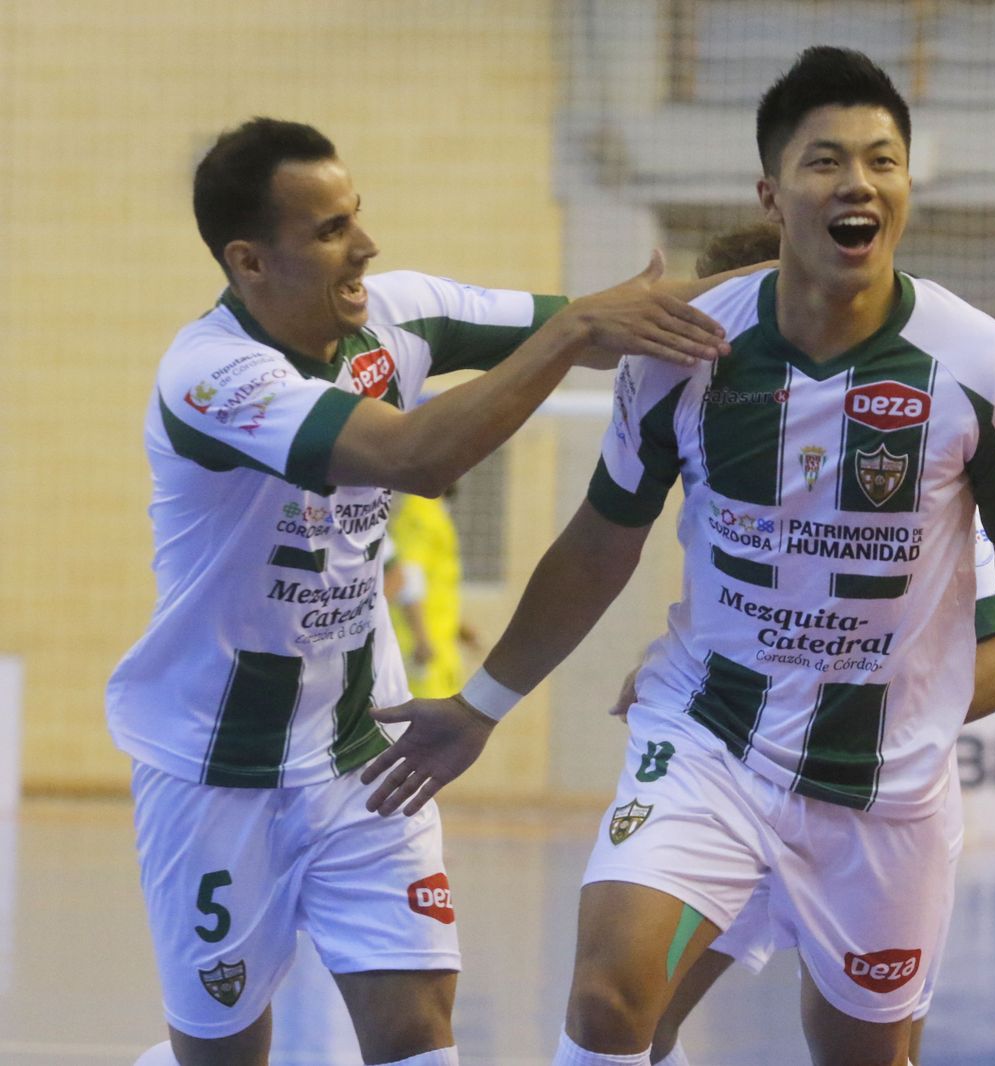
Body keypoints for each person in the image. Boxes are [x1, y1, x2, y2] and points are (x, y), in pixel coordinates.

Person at [364, 48, 995, 1066]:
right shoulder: (682, 352)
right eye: (825, 162)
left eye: (882, 160)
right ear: (771, 192)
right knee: (610, 1001)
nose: (858, 182)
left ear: (905, 187)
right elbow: (598, 541)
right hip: (711, 740)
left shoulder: (979, 362)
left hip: (882, 787)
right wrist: (482, 703)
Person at [108, 116, 733, 1066]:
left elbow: (622, 322)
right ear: (249, 262)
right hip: (211, 766)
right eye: (327, 231)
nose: (364, 245)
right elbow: (422, 456)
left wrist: (804, 287)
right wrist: (575, 328)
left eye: (355, 216)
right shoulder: (210, 375)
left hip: (364, 757)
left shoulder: (397, 314)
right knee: (222, 1055)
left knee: (418, 1040)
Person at [624, 222, 995, 1066]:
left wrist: (827, 703)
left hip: (865, 805)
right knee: (630, 1007)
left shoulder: (927, 478)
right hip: (729, 785)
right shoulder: (713, 430)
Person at [386, 487, 478, 698]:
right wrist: (421, 639)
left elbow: (433, 583)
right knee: (425, 724)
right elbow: (410, 576)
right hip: (421, 650)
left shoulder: (433, 513)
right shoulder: (421, 511)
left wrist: (459, 626)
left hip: (438, 644)